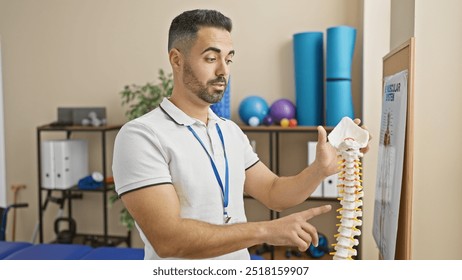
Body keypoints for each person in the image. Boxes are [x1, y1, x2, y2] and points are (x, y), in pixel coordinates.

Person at [112, 9, 368, 260]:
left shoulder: (229, 131)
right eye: (211, 59)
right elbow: (168, 239)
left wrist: (320, 169)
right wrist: (266, 231)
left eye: (229, 59)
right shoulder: (141, 136)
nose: (224, 71)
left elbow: (273, 192)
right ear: (176, 60)